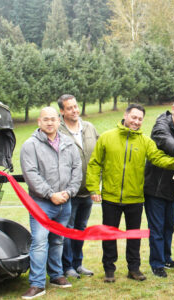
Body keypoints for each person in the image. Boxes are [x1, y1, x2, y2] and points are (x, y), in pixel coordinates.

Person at [86, 104, 174, 283]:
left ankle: (134, 269)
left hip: (135, 198)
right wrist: (93, 188)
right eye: (134, 117)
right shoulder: (107, 137)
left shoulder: (145, 141)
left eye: (140, 119)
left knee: (134, 236)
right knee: (109, 235)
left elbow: (158, 158)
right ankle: (109, 270)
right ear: (125, 115)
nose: (136, 122)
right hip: (110, 197)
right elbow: (94, 163)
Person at [20, 107, 81, 299]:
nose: (49, 122)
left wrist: (69, 192)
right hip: (42, 204)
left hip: (65, 202)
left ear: (58, 121)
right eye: (45, 119)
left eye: (53, 119)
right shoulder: (30, 145)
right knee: (39, 242)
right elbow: (31, 174)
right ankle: (37, 283)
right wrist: (50, 194)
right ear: (39, 122)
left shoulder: (68, 143)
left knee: (58, 240)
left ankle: (56, 275)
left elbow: (77, 170)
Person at [144, 97, 174, 278]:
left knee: (168, 227)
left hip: (171, 189)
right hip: (155, 188)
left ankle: (166, 258)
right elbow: (165, 140)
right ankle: (156, 264)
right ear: (173, 109)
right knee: (157, 228)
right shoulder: (161, 124)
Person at [57, 94, 99, 279]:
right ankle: (67, 267)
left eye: (75, 106)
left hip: (87, 190)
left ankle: (78, 263)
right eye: (69, 108)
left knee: (81, 228)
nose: (74, 110)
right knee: (68, 229)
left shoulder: (89, 127)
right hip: (68, 191)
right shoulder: (57, 130)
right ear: (62, 111)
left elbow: (98, 154)